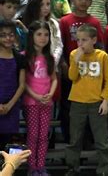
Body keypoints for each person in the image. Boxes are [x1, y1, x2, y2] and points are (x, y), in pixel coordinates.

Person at [65, 24, 108, 176]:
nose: (80, 44)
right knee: (75, 139)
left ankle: (104, 168)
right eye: (78, 40)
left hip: (96, 103)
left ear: (94, 40)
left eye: (84, 40)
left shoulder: (102, 56)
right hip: (77, 102)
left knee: (101, 139)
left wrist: (105, 100)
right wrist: (76, 61)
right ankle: (72, 167)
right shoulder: (74, 54)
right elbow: (72, 77)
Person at [58, 0, 103, 144]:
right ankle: (70, 140)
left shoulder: (94, 22)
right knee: (68, 107)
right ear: (73, 0)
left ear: (91, 1)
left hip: (90, 73)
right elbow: (60, 45)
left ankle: (88, 141)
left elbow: (100, 47)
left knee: (90, 106)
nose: (83, 1)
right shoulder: (65, 21)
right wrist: (64, 64)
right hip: (71, 70)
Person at [23, 21, 57, 176]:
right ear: (32, 36)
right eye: (39, 34)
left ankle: (41, 166)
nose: (43, 38)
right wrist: (36, 96)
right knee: (33, 135)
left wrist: (50, 93)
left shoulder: (49, 57)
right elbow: (23, 82)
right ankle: (32, 166)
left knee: (44, 136)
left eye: (46, 34)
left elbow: (54, 79)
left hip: (46, 102)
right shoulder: (25, 56)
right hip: (31, 102)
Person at [0, 20, 25, 149]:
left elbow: (21, 85)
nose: (7, 38)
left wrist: (9, 106)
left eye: (10, 35)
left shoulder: (19, 57)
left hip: (11, 106)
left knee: (7, 145)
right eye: (3, 35)